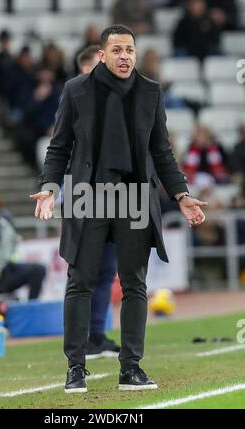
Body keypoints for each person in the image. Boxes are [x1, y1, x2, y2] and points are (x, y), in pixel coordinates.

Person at [30, 25, 207, 393]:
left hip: (135, 196)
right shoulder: (76, 90)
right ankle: (75, 369)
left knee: (135, 284)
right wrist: (49, 187)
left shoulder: (150, 92)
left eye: (130, 50)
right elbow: (59, 146)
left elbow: (162, 151)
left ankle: (131, 369)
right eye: (118, 50)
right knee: (79, 282)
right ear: (103, 54)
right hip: (87, 195)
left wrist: (180, 194)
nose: (125, 56)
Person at [76, 45, 120, 359]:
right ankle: (81, 339)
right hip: (86, 195)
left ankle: (96, 334)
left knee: (106, 271)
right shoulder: (75, 100)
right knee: (84, 272)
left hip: (114, 195)